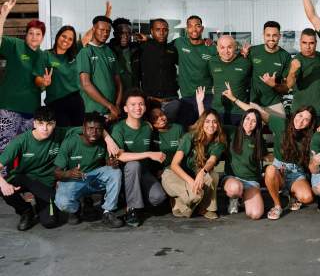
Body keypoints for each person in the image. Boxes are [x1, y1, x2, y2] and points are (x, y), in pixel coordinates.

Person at [222, 83, 316, 220]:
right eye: (300, 116)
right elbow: (256, 113)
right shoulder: (281, 124)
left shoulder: (310, 137)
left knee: (307, 198)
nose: (301, 121)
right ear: (295, 114)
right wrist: (234, 99)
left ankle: (291, 195)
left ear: (310, 123)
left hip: (296, 173)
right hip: (279, 168)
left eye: (306, 119)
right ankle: (277, 205)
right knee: (270, 170)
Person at [161, 88, 225, 219]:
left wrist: (202, 172)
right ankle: (177, 201)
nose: (211, 125)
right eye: (207, 121)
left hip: (195, 173)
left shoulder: (218, 142)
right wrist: (191, 181)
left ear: (218, 125)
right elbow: (174, 165)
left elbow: (211, 161)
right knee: (195, 197)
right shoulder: (189, 137)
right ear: (202, 123)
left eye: (214, 122)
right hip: (174, 174)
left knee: (212, 175)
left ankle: (206, 208)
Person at [54, 112, 123, 228]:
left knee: (115, 172)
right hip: (76, 179)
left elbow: (107, 162)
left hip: (94, 178)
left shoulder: (103, 141)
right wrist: (68, 173)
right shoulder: (70, 142)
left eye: (98, 129)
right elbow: (56, 172)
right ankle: (75, 209)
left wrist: (111, 163)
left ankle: (108, 212)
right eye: (90, 128)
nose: (94, 132)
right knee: (62, 202)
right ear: (83, 128)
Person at [0, 107, 65, 230]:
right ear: (34, 123)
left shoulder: (61, 133)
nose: (45, 128)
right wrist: (3, 184)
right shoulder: (21, 141)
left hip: (45, 182)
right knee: (1, 186)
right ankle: (26, 211)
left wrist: (106, 137)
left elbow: (86, 129)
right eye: (40, 123)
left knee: (50, 222)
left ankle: (40, 204)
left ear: (55, 124)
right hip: (24, 178)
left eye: (49, 124)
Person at [111, 89, 167, 227]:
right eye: (133, 104)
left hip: (144, 173)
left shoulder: (148, 127)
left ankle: (136, 199)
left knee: (158, 197)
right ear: (125, 108)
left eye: (141, 104)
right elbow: (121, 156)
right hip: (125, 175)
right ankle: (132, 209)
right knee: (133, 164)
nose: (138, 107)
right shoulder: (119, 128)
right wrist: (149, 154)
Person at [0, 0, 45, 155]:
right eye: (31, 33)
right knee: (4, 149)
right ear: (26, 35)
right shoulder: (15, 45)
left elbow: (39, 81)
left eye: (38, 34)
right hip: (9, 108)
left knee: (26, 152)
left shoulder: (42, 55)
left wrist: (45, 83)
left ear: (42, 37)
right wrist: (3, 15)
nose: (34, 37)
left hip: (31, 111)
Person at [221, 108, 266, 220]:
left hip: (251, 181)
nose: (249, 123)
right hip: (233, 179)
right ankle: (234, 199)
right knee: (236, 188)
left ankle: (243, 198)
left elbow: (266, 156)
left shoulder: (259, 140)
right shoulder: (232, 131)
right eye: (247, 118)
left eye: (254, 121)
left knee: (256, 214)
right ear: (243, 119)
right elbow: (211, 125)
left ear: (257, 124)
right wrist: (200, 103)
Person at [35, 25, 84, 127]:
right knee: (63, 134)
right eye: (64, 36)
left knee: (78, 133)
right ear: (58, 36)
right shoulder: (46, 55)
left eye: (70, 39)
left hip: (76, 101)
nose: (66, 40)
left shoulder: (73, 54)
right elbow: (37, 78)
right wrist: (44, 82)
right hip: (56, 103)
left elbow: (88, 36)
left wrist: (106, 18)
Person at [76, 15, 123, 122]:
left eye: (108, 31)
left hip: (112, 112)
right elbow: (86, 84)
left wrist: (116, 105)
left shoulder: (110, 51)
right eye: (101, 30)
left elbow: (119, 83)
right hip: (93, 112)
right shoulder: (85, 52)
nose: (105, 33)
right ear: (93, 29)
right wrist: (110, 105)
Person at [173, 15, 216, 127]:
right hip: (187, 96)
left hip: (207, 96)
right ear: (186, 29)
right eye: (190, 26)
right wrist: (147, 39)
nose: (194, 29)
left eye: (197, 26)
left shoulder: (211, 48)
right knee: (186, 129)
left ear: (202, 28)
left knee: (207, 128)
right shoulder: (179, 42)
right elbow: (162, 46)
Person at [248, 21, 291, 118]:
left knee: (281, 126)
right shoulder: (253, 51)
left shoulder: (285, 56)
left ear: (279, 36)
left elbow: (286, 88)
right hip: (254, 102)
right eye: (268, 35)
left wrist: (273, 84)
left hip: (275, 103)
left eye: (274, 35)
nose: (271, 38)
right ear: (263, 35)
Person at [138, 18, 180, 121]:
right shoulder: (143, 47)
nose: (161, 33)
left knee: (172, 127)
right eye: (158, 29)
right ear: (152, 31)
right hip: (150, 100)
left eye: (164, 30)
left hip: (171, 100)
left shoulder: (172, 49)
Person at [209, 35, 252, 125]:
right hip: (217, 111)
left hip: (239, 112)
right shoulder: (212, 62)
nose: (226, 51)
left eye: (229, 47)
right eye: (222, 47)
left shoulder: (245, 62)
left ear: (235, 47)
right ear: (217, 48)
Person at [286, 28, 320, 123]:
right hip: (300, 112)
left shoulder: (319, 56)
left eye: (311, 43)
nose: (308, 47)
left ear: (316, 43)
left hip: (319, 112)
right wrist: (292, 72)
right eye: (304, 43)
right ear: (300, 42)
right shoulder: (297, 60)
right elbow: (289, 84)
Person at [108, 17, 141, 95]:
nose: (125, 36)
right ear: (114, 34)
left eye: (128, 33)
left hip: (133, 94)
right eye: (121, 33)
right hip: (114, 94)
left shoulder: (137, 49)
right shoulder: (107, 50)